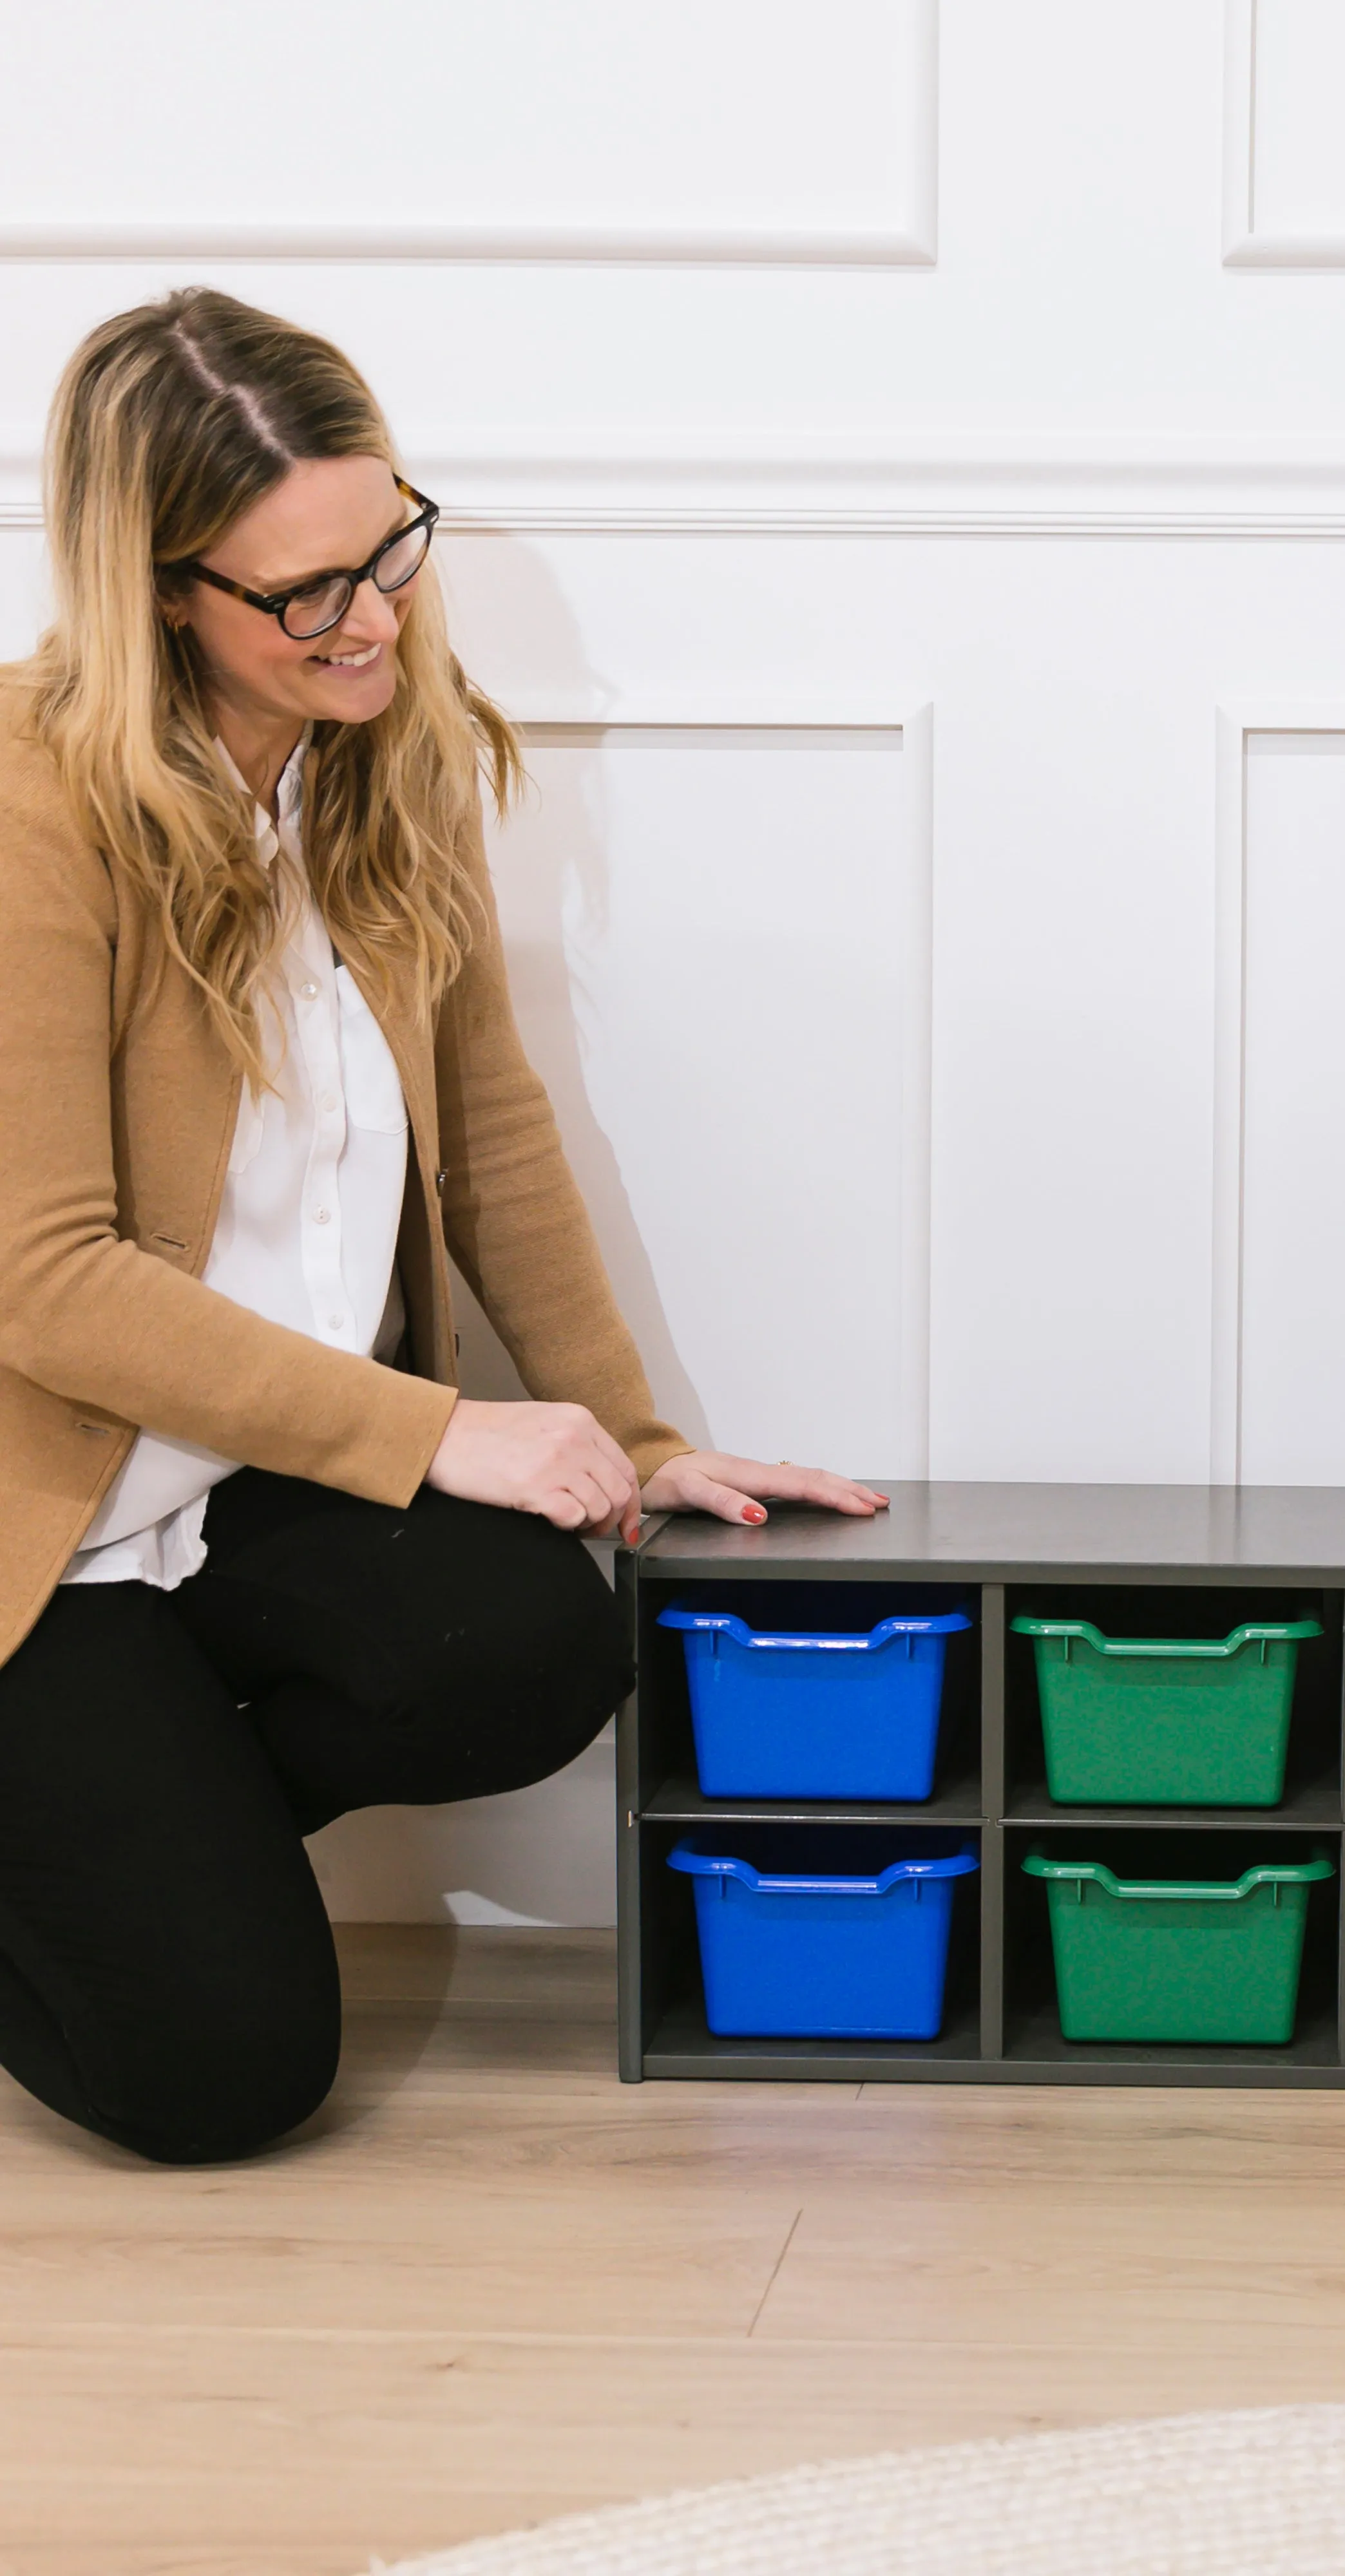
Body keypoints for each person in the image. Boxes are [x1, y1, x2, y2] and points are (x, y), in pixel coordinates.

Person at [0, 288, 884, 2166]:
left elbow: (484, 1123)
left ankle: (147, 1843)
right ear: (165, 592)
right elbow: (45, 1279)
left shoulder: (378, 753)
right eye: (304, 591)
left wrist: (630, 1436)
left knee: (539, 1637)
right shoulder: (28, 808)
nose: (374, 617)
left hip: (241, 1483)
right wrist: (444, 1429)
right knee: (224, 2083)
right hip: (45, 1537)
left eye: (389, 543)